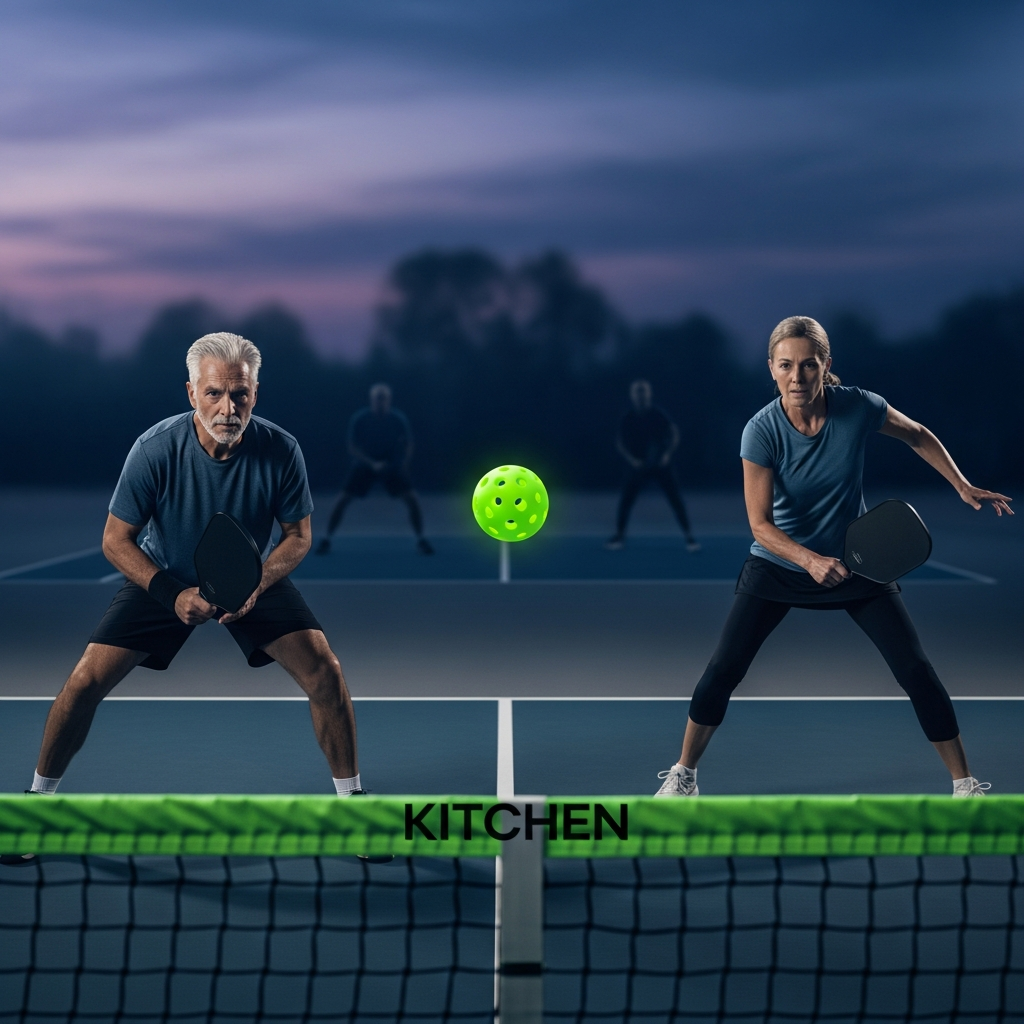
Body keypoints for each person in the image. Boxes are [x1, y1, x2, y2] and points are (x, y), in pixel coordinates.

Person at [654, 316, 1012, 799]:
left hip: (855, 560)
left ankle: (965, 783)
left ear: (826, 367)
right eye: (786, 366)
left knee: (916, 672)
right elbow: (760, 525)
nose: (797, 376)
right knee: (724, 671)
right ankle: (684, 775)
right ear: (771, 370)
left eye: (808, 365)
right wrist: (809, 560)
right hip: (780, 562)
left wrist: (962, 485)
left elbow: (918, 434)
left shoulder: (859, 407)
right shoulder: (760, 431)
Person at [22, 332, 369, 801]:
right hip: (164, 576)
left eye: (240, 394)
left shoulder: (282, 450)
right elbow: (114, 540)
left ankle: (353, 804)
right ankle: (39, 803)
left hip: (252, 579)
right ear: (192, 393)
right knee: (84, 682)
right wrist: (170, 593)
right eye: (214, 393)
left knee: (325, 671)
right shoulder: (155, 449)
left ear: (255, 394)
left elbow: (298, 536)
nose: (228, 408)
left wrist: (258, 580)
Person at [315, 383, 433, 555]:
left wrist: (402, 464)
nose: (381, 402)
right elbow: (353, 447)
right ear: (372, 400)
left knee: (412, 500)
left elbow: (408, 444)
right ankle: (327, 538)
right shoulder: (360, 419)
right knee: (342, 500)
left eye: (384, 399)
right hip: (365, 466)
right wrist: (371, 463)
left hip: (391, 465)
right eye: (378, 399)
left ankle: (421, 539)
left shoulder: (398, 419)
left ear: (389, 400)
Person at [606, 379, 700, 551]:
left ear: (649, 395)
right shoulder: (628, 418)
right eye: (637, 392)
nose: (641, 396)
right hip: (638, 466)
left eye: (644, 392)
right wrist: (632, 460)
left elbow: (673, 433)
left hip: (660, 465)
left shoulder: (658, 415)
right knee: (626, 500)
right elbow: (620, 442)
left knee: (675, 500)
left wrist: (666, 455)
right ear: (632, 395)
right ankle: (619, 536)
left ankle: (689, 537)